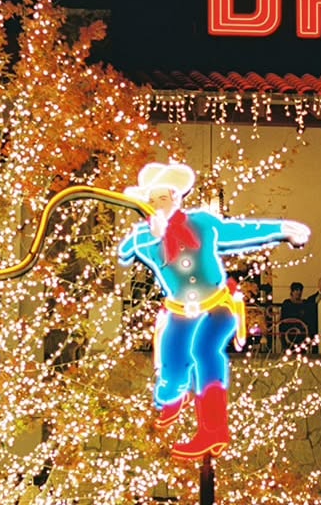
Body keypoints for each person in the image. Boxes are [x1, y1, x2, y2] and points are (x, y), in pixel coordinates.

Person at [117, 161, 309, 459]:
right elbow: (125, 249)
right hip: (179, 310)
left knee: (204, 350)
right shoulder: (146, 237)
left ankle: (214, 429)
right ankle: (173, 397)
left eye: (163, 198)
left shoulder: (202, 224)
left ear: (176, 198)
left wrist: (281, 229)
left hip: (218, 304)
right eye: (152, 201)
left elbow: (238, 231)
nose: (158, 205)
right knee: (172, 364)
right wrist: (152, 235)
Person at [278, 281, 315, 349]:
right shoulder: (287, 303)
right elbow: (283, 318)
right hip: (288, 331)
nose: (299, 292)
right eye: (296, 290)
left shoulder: (305, 303)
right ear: (292, 291)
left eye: (300, 290)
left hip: (302, 332)